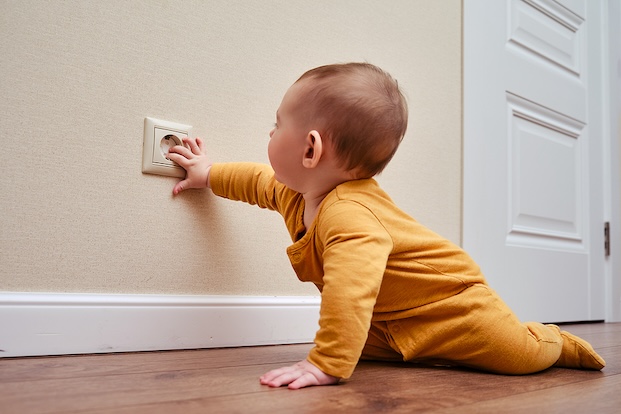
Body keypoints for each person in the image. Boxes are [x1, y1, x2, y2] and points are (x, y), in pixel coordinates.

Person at [167, 62, 606, 390]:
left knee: (517, 356)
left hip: (454, 307)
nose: (270, 131)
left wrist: (326, 363)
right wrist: (208, 173)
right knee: (375, 350)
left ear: (310, 150)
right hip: (388, 321)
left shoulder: (349, 215)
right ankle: (410, 351)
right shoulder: (296, 192)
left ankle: (553, 341)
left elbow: (349, 292)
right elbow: (258, 182)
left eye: (277, 124)